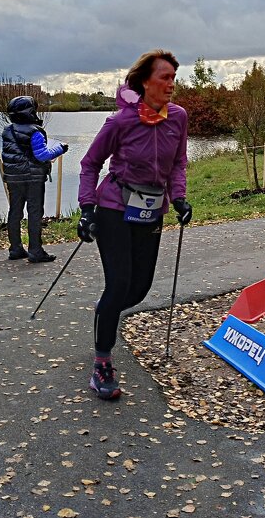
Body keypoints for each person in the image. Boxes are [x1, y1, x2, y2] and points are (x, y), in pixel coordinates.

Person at [77, 50, 192, 401]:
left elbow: (177, 164)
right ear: (145, 81)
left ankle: (105, 313)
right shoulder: (120, 122)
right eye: (164, 77)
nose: (171, 84)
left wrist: (180, 198)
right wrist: (87, 208)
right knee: (119, 283)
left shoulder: (178, 117)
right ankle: (102, 365)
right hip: (114, 207)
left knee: (139, 289)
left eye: (174, 77)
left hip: (152, 210)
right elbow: (90, 163)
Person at [1, 96, 68, 263]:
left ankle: (15, 249)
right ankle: (35, 251)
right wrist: (60, 149)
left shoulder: (7, 130)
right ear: (30, 112)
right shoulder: (35, 132)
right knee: (35, 213)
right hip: (33, 178)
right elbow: (42, 155)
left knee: (15, 212)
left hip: (12, 177)